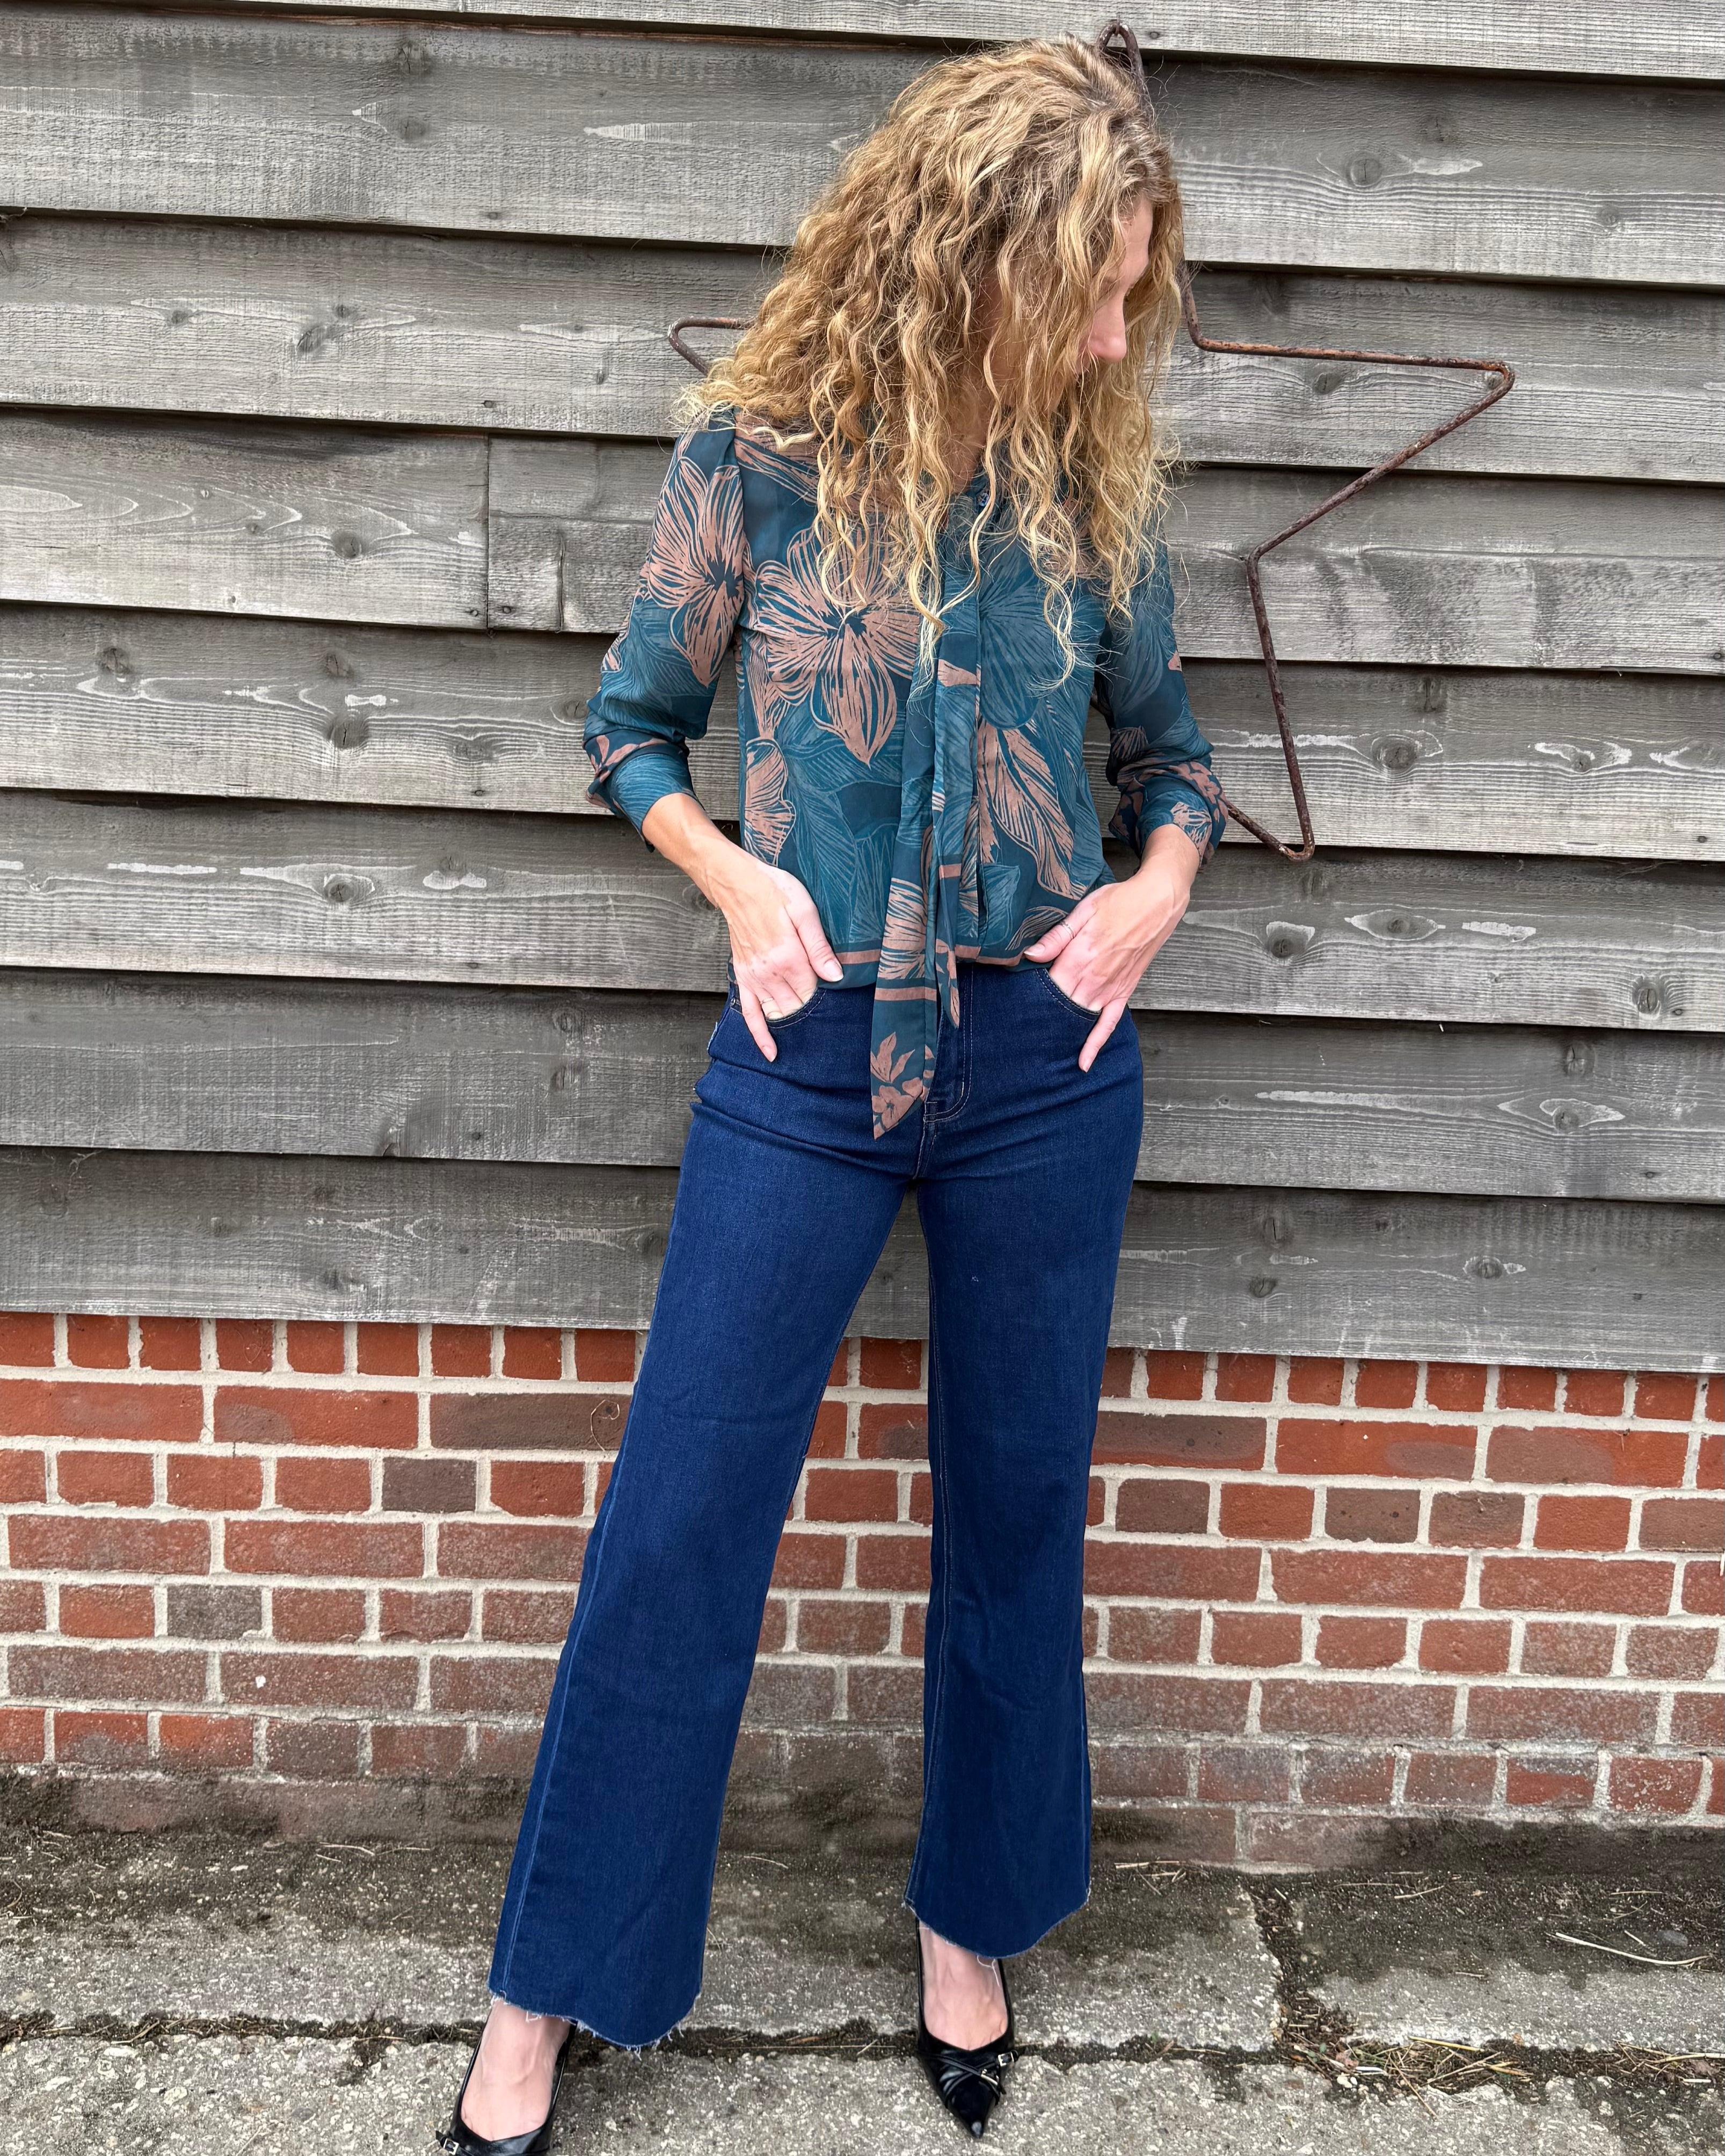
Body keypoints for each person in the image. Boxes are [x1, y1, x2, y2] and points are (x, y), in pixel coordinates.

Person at [439, 25, 1225, 2150]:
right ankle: (549, 1986)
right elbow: (628, 727)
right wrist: (730, 876)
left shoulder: (1088, 484)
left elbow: (1179, 759)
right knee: (683, 1516)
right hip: (803, 1048)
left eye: (1134, 287)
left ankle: (968, 1924)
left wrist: (1154, 892)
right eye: (1087, 277)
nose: (1110, 322)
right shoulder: (761, 455)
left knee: (1014, 1512)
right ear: (973, 248)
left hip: (1044, 1062)